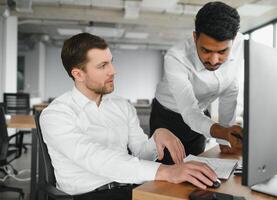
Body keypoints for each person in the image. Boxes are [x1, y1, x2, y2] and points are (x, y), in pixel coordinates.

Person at [40, 33, 218, 200]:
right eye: (102, 66)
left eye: (111, 62)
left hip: (129, 189)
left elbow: (141, 153)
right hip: (88, 195)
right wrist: (166, 172)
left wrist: (158, 135)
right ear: (78, 74)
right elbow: (97, 158)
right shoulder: (56, 115)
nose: (113, 71)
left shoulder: (121, 106)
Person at [150, 1, 243, 164]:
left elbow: (230, 92)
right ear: (195, 37)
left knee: (197, 165)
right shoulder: (176, 57)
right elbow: (189, 112)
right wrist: (222, 132)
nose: (214, 61)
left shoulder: (239, 43)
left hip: (201, 115)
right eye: (206, 50)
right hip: (168, 116)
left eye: (222, 51)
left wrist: (226, 139)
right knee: (168, 174)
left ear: (233, 40)